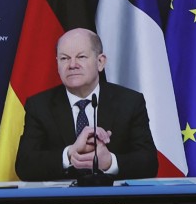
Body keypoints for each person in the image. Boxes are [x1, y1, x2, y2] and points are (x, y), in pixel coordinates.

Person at [15, 28, 158, 182]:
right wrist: (69, 153)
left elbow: (149, 163)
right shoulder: (39, 106)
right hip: (60, 202)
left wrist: (109, 162)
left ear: (100, 62)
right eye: (64, 58)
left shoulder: (130, 102)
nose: (72, 65)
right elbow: (24, 165)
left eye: (81, 57)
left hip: (115, 201)